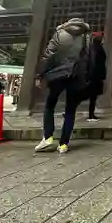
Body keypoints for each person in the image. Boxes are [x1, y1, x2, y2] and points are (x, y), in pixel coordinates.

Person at [34, 16, 91, 154]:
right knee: (70, 110)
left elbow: (48, 55)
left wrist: (40, 74)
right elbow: (87, 57)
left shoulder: (59, 33)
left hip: (58, 74)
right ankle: (64, 144)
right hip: (75, 75)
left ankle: (48, 137)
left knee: (50, 105)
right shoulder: (85, 36)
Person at [87, 31, 107, 122]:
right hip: (95, 75)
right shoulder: (97, 48)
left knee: (92, 96)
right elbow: (95, 62)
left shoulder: (92, 48)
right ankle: (91, 114)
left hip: (93, 75)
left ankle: (91, 113)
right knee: (92, 96)